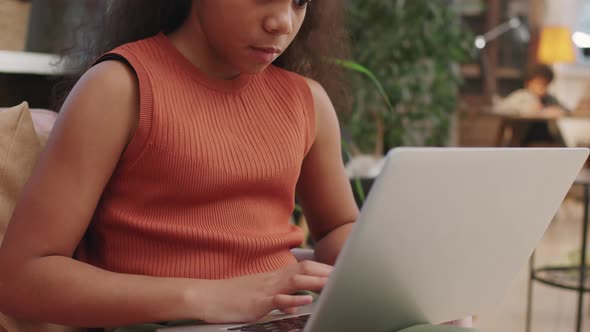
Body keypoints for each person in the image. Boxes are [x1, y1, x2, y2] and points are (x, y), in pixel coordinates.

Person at [0, 1, 471, 330]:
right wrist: (211, 297)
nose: (283, 22)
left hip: (283, 321)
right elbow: (23, 277)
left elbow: (337, 230)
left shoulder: (306, 101)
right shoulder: (120, 87)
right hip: (168, 325)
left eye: (300, 1)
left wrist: (410, 282)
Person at [494, 64, 570, 146]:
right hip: (523, 139)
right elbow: (501, 108)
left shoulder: (549, 98)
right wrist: (540, 111)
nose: (542, 88)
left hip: (548, 139)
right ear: (528, 83)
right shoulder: (521, 96)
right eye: (538, 83)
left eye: (545, 84)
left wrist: (557, 111)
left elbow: (565, 110)